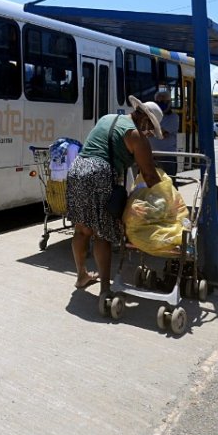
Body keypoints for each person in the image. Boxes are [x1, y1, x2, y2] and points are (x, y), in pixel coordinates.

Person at [65, 96, 164, 292]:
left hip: (77, 170)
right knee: (103, 235)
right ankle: (104, 289)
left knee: (82, 229)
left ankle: (81, 276)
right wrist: (165, 197)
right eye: (150, 129)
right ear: (144, 119)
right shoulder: (136, 136)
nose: (150, 134)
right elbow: (150, 176)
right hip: (100, 175)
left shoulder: (107, 118)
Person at [149, 88, 179, 178]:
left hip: (167, 156)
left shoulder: (173, 117)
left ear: (169, 102)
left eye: (163, 101)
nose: (161, 104)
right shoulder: (151, 117)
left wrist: (151, 130)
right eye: (158, 101)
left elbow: (162, 134)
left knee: (169, 182)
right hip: (151, 155)